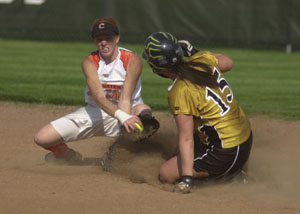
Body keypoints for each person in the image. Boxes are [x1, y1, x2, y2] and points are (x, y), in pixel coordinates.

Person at [34, 17, 159, 164]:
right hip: (96, 112)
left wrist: (124, 122)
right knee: (42, 138)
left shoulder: (132, 60)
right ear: (94, 41)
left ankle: (119, 151)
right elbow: (99, 98)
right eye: (99, 39)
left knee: (144, 112)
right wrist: (122, 117)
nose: (104, 42)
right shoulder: (89, 62)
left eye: (108, 38)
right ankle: (66, 155)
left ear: (117, 38)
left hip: (128, 111)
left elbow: (125, 99)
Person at [143, 32, 252, 193]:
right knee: (179, 151)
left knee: (166, 173)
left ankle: (228, 176)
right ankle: (229, 170)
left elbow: (186, 139)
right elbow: (228, 62)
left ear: (157, 67)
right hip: (245, 138)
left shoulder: (180, 91)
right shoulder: (201, 60)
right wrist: (194, 51)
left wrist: (186, 178)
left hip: (226, 152)